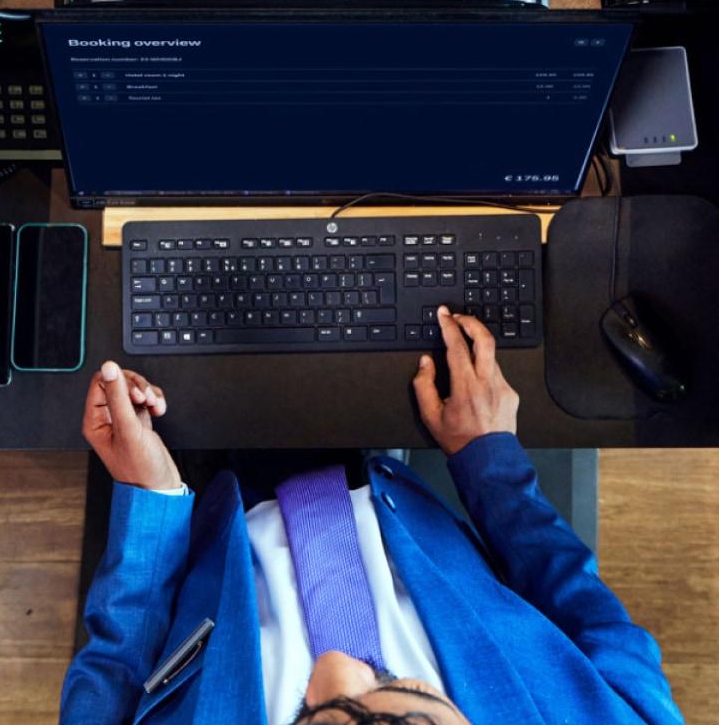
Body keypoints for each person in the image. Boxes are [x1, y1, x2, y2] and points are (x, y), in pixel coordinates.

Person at [62, 307, 684, 725]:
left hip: (218, 522)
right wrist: (488, 459)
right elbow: (595, 621)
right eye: (403, 689)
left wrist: (150, 495)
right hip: (402, 507)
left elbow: (118, 667)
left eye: (311, 716)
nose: (335, 665)